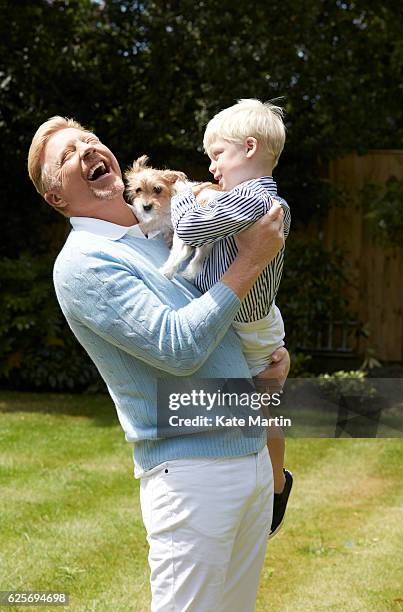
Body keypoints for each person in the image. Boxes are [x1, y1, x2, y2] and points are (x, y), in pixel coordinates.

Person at [27, 116, 290, 612]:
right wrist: (251, 259)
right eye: (65, 156)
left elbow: (221, 330)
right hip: (192, 476)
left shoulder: (163, 233)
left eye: (88, 141)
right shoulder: (85, 262)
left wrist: (266, 378)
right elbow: (179, 348)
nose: (85, 151)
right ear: (56, 198)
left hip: (249, 457)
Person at [171, 98, 293, 537]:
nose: (212, 166)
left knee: (265, 403)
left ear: (249, 147)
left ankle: (276, 485)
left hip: (250, 325)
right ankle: (268, 484)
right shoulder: (243, 198)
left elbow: (189, 230)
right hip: (245, 319)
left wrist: (191, 194)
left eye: (218, 155)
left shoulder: (256, 202)